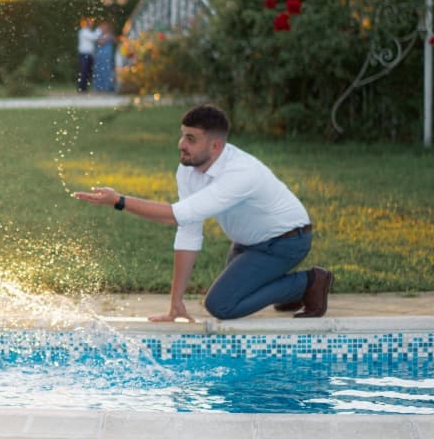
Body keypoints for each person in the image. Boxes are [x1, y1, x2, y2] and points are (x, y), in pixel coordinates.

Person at [72, 104, 332, 321]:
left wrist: (119, 200)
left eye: (191, 139)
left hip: (286, 241)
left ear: (216, 147)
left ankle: (310, 282)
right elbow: (188, 229)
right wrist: (175, 304)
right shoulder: (188, 169)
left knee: (222, 305)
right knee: (241, 291)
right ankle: (287, 292)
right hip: (248, 244)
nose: (181, 144)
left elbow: (174, 215)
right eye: (183, 135)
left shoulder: (240, 173)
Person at [76, 17, 101, 92]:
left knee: (88, 72)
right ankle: (81, 87)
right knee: (83, 71)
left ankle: (84, 87)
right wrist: (99, 30)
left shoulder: (89, 31)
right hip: (84, 55)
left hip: (89, 55)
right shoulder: (84, 31)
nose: (91, 24)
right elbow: (94, 37)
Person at [92, 21, 117, 92]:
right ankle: (99, 87)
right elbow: (99, 42)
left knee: (107, 71)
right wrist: (107, 38)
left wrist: (109, 37)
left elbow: (115, 41)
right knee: (99, 71)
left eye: (105, 26)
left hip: (108, 56)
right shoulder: (97, 35)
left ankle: (108, 86)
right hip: (100, 56)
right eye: (102, 26)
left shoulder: (111, 35)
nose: (104, 28)